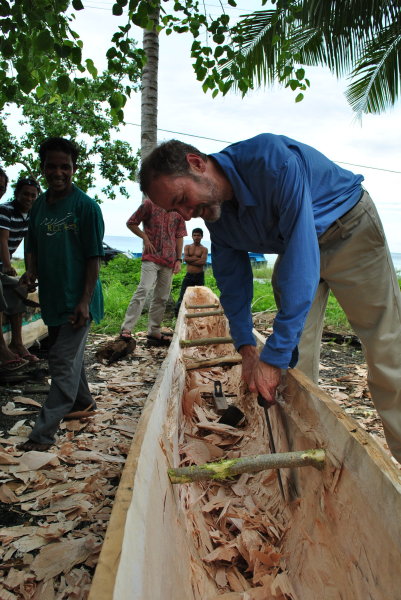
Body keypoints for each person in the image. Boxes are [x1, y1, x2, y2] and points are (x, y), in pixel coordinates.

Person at [138, 135, 401, 465]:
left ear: (196, 164)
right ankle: (305, 456)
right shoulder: (215, 215)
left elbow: (302, 261)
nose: (188, 214)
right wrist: (247, 348)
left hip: (349, 229)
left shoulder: (273, 163)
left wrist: (273, 356)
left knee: (388, 350)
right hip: (297, 246)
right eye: (175, 210)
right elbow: (233, 285)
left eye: (182, 199)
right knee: (295, 362)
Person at [18, 137, 104, 451]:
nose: (58, 172)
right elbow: (33, 246)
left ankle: (41, 435)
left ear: (74, 168)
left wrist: (84, 301)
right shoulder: (39, 205)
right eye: (52, 166)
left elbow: (94, 257)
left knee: (61, 361)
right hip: (53, 300)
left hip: (78, 302)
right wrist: (30, 271)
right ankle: (84, 402)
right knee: (70, 361)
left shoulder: (86, 207)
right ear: (42, 168)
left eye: (64, 167)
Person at [120, 198, 187, 346]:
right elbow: (131, 222)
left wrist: (178, 259)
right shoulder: (149, 204)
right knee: (143, 289)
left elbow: (179, 236)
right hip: (151, 256)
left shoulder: (178, 210)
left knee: (162, 297)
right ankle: (126, 328)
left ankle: (154, 331)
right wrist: (145, 237)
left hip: (169, 260)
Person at [0, 176, 41, 368]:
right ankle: (2, 347)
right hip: (2, 264)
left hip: (1, 267)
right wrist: (8, 265)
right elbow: (2, 239)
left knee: (19, 287)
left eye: (33, 195)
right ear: (16, 194)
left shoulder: (31, 215)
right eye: (25, 194)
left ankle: (17, 343)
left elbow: (29, 246)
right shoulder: (5, 210)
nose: (29, 198)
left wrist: (29, 271)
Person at [175, 227, 208, 316]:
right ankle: (178, 316)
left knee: (200, 297)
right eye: (194, 235)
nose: (196, 237)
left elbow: (203, 262)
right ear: (192, 236)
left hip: (199, 276)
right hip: (189, 275)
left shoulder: (204, 249)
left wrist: (190, 259)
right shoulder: (188, 247)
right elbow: (185, 259)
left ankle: (199, 316)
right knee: (182, 296)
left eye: (198, 235)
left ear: (201, 237)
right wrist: (197, 258)